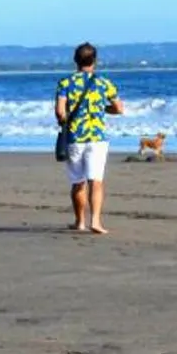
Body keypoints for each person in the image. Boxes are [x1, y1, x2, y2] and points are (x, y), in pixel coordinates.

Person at [54, 42, 125, 234]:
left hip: (75, 137)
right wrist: (102, 109)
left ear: (75, 60)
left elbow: (60, 113)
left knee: (78, 182)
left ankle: (80, 222)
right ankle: (95, 221)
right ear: (95, 60)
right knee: (96, 180)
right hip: (97, 137)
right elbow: (119, 109)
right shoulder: (104, 83)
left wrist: (67, 119)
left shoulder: (65, 83)